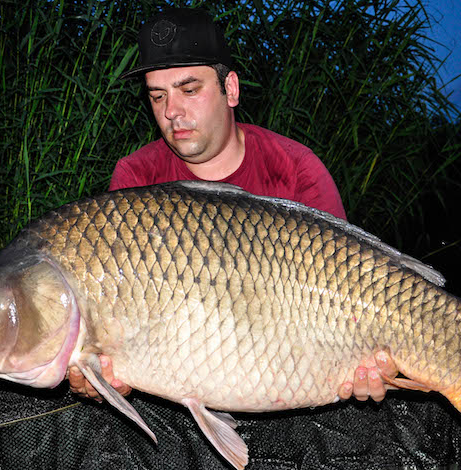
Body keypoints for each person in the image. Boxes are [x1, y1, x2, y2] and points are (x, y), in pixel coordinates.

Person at [67, 7, 398, 404]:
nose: (172, 111)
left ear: (232, 89)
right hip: (179, 398)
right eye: (158, 96)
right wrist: (102, 381)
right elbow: (117, 339)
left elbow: (354, 287)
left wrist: (372, 367)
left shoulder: (295, 169)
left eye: (189, 90)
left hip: (297, 376)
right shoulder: (136, 179)